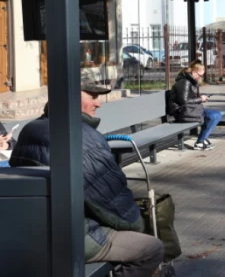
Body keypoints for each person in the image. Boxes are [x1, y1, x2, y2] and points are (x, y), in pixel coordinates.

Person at [10, 81, 164, 276]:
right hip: (73, 236)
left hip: (29, 230)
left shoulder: (30, 129)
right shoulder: (82, 136)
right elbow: (112, 201)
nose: (98, 103)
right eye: (92, 97)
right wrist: (138, 225)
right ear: (71, 100)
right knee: (151, 248)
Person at [169, 60, 222, 150]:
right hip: (182, 112)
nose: (200, 77)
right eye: (199, 75)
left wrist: (200, 98)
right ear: (193, 71)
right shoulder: (184, 82)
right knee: (213, 116)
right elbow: (184, 101)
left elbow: (189, 98)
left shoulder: (191, 80)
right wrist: (200, 99)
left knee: (216, 114)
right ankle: (200, 142)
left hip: (190, 109)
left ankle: (202, 139)